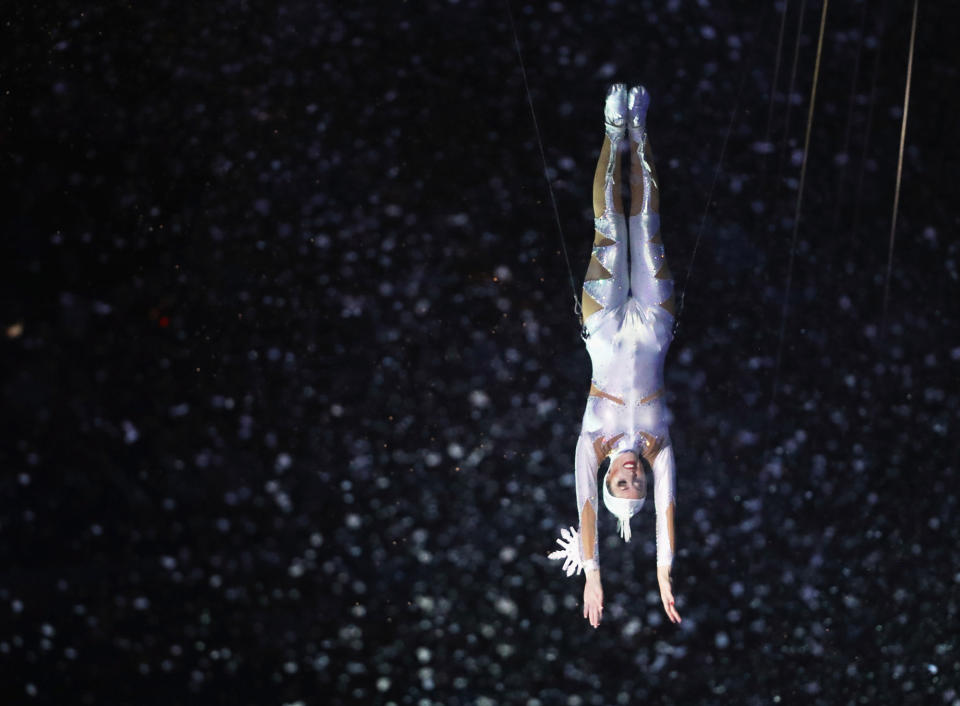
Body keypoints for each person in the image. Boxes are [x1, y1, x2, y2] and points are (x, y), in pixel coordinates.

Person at [549, 84, 681, 629]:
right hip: (654, 326)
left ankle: (612, 130)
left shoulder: (591, 445)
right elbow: (669, 516)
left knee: (610, 227)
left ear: (606, 482)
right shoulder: (660, 448)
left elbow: (584, 509)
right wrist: (662, 573)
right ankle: (639, 133)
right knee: (644, 228)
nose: (632, 476)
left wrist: (595, 574)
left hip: (601, 327)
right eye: (638, 484)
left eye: (620, 483)